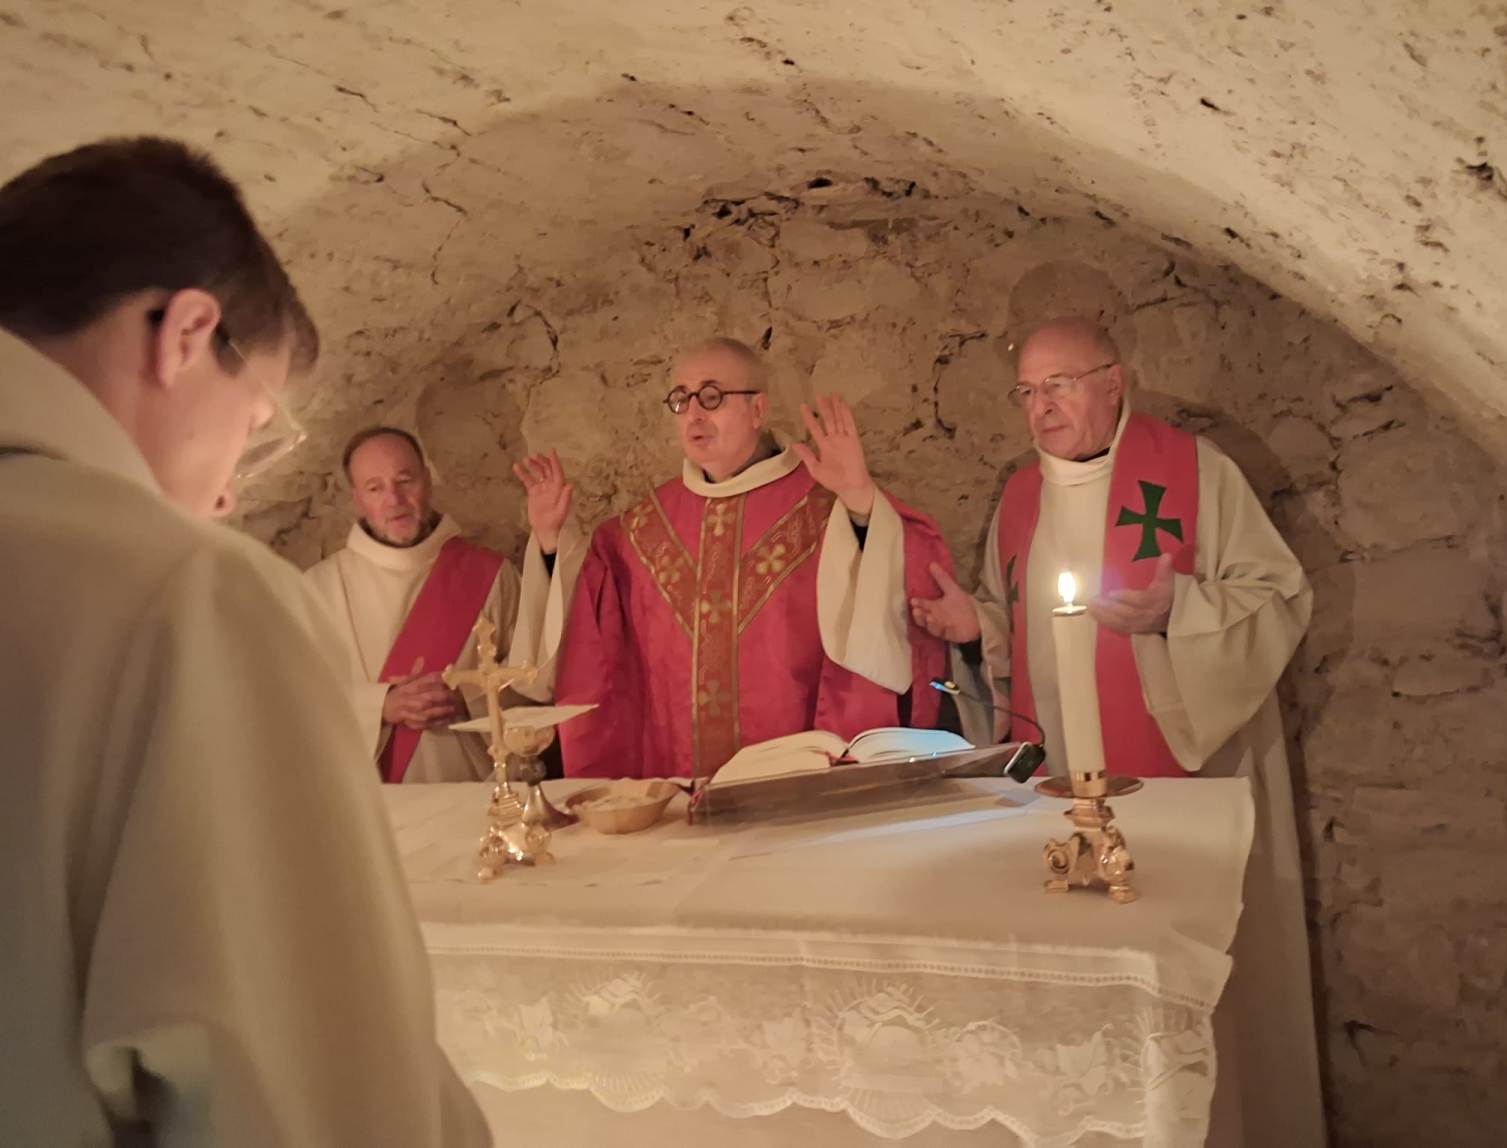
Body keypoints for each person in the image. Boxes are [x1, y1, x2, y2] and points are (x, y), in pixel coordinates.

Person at [0, 137, 487, 1146]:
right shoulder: (187, 593)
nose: (227, 492)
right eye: (255, 418)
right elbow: (312, 1096)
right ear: (185, 334)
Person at [910, 316, 1323, 1146]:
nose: (1041, 407)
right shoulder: (1021, 498)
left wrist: (1182, 608)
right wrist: (973, 626)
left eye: (1059, 386)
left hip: (1186, 773)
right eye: (1027, 391)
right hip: (1062, 782)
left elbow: (1278, 595)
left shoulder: (1196, 472)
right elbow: (1019, 637)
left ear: (1113, 382)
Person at [541, 336, 955, 779]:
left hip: (798, 785)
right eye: (681, 399)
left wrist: (861, 503)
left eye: (711, 396)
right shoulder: (638, 532)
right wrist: (550, 544)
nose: (694, 414)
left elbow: (916, 580)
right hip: (679, 783)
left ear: (758, 410)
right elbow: (589, 638)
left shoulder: (824, 503)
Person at [303, 426, 573, 782]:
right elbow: (293, 701)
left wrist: (470, 695)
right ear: (357, 499)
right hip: (376, 798)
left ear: (427, 481)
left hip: (481, 791)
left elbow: (537, 675)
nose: (394, 499)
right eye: (375, 488)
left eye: (405, 480)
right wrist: (381, 705)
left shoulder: (488, 574)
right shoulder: (318, 590)